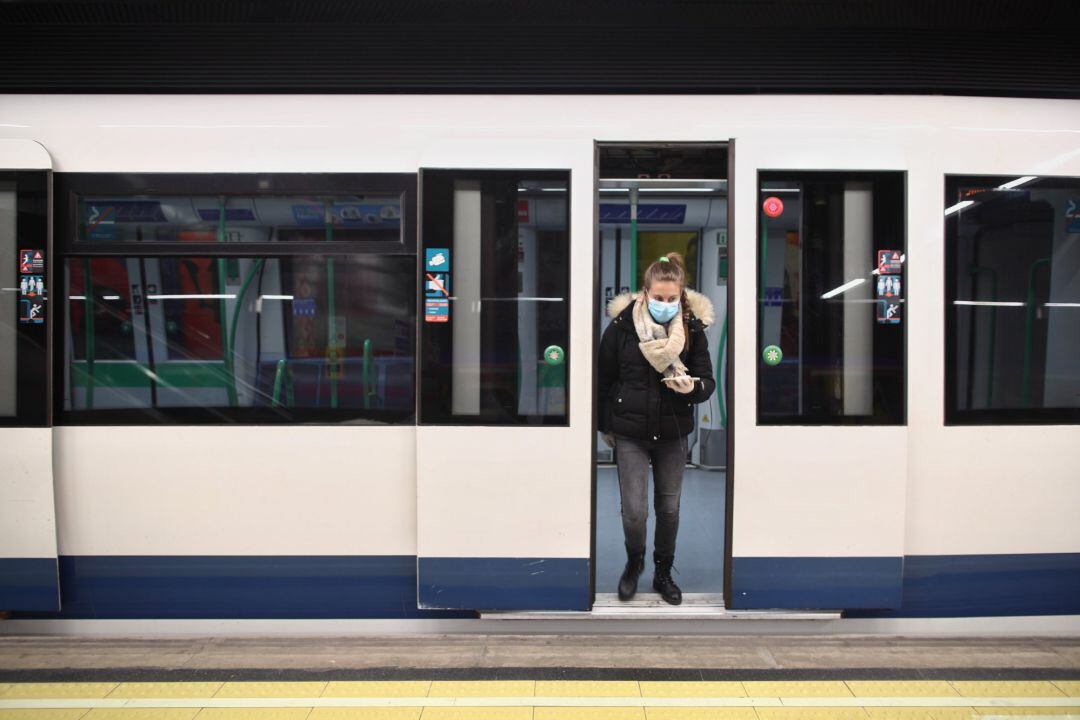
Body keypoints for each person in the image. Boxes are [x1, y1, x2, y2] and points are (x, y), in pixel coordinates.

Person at [596, 252, 716, 605]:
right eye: (658, 297)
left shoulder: (692, 332)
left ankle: (663, 571)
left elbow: (707, 382)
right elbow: (604, 380)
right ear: (644, 293)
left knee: (669, 509)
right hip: (630, 432)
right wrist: (606, 426)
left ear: (681, 296)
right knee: (634, 511)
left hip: (673, 432)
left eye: (672, 298)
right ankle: (634, 563)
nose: (665, 304)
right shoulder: (620, 328)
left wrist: (692, 389)